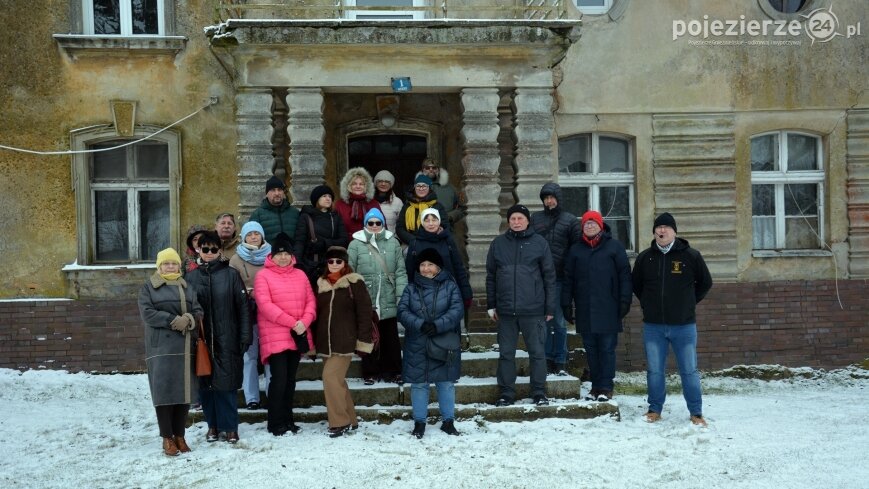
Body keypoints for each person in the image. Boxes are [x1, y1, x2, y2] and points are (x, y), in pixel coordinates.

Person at [632, 212, 713, 427]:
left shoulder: (690, 256)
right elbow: (637, 286)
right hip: (654, 327)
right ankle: (654, 409)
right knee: (655, 371)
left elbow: (705, 283)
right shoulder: (645, 258)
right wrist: (649, 304)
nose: (662, 231)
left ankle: (696, 412)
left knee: (689, 370)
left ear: (674, 232)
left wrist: (688, 303)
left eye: (667, 227)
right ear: (654, 232)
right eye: (659, 227)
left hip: (684, 326)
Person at [486, 204, 556, 407]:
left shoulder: (539, 243)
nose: (516, 222)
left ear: (527, 221)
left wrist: (550, 307)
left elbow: (549, 277)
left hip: (533, 310)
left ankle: (539, 392)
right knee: (506, 354)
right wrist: (492, 304)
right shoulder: (498, 244)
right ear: (508, 221)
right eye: (513, 219)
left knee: (537, 353)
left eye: (520, 218)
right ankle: (506, 393)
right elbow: (491, 276)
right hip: (506, 311)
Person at [185, 231, 251, 444]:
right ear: (199, 250)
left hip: (227, 338)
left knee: (227, 385)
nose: (210, 253)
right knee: (206, 386)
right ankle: (212, 425)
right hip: (201, 340)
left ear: (220, 251)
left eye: (214, 249)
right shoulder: (191, 277)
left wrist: (244, 335)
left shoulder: (231, 274)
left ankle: (230, 426)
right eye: (206, 249)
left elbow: (243, 308)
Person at [138, 248, 203, 456]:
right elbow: (147, 313)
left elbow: (198, 310)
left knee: (182, 394)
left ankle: (180, 435)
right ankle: (167, 437)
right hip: (161, 348)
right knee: (164, 393)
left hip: (185, 347)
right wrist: (173, 320)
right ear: (159, 266)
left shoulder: (187, 286)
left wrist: (190, 320)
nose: (170, 267)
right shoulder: (149, 288)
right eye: (166, 264)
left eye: (173, 263)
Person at [562, 210, 632, 402]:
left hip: (609, 308)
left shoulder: (614, 247)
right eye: (586, 223)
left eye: (593, 223)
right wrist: (566, 304)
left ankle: (606, 387)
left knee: (607, 349)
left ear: (601, 225)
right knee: (591, 350)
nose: (590, 226)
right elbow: (568, 279)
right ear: (582, 227)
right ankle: (595, 387)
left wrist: (625, 300)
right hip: (585, 309)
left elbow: (625, 275)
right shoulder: (576, 250)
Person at [254, 232, 317, 436]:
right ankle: (275, 422)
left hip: (297, 335)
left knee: (290, 380)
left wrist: (305, 322)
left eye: (286, 253)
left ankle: (288, 419)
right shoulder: (263, 275)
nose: (283, 257)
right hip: (276, 335)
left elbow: (311, 302)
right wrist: (293, 323)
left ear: (292, 255)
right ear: (271, 256)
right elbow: (265, 306)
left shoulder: (300, 274)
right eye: (279, 254)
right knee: (278, 380)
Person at [398, 248, 464, 439]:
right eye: (422, 264)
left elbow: (456, 309)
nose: (426, 268)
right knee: (419, 384)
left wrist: (437, 325)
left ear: (438, 267)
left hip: (443, 342)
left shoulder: (450, 286)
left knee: (446, 383)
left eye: (430, 265)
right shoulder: (410, 288)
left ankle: (448, 421)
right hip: (417, 342)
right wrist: (420, 324)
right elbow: (402, 311)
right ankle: (419, 423)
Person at [313, 246, 375, 438]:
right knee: (337, 381)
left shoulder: (354, 282)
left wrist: (363, 340)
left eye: (338, 261)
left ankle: (340, 422)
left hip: (345, 340)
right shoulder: (320, 283)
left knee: (330, 378)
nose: (334, 265)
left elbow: (365, 313)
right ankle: (351, 418)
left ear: (345, 263)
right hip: (325, 341)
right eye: (330, 261)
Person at [348, 208, 408, 385]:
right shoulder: (355, 243)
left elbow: (400, 271)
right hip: (367, 297)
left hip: (388, 295)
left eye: (378, 223)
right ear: (365, 224)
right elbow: (350, 271)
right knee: (369, 335)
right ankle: (370, 371)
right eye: (370, 223)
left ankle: (394, 371)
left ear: (383, 224)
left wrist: (400, 295)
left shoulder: (393, 242)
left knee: (390, 337)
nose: (374, 226)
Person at [530, 183, 583, 376]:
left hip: (560, 278)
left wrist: (571, 272)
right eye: (546, 198)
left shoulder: (570, 220)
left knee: (559, 321)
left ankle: (560, 359)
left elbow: (576, 249)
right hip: (539, 279)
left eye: (552, 197)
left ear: (558, 198)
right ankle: (546, 358)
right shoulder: (535, 218)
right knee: (543, 321)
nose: (549, 201)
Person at [229, 221, 272, 411]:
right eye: (250, 234)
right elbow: (233, 285)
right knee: (250, 356)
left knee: (271, 356)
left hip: (270, 312)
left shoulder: (272, 256)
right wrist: (250, 292)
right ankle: (252, 397)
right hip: (247, 311)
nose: (254, 236)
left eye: (257, 233)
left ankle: (273, 394)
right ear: (244, 237)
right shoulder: (236, 259)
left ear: (262, 236)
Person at [405, 208, 472, 309]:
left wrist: (466, 293)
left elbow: (458, 267)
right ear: (422, 223)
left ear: (439, 221)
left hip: (448, 293)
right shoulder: (415, 243)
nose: (431, 224)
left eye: (434, 220)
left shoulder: (448, 240)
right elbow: (409, 272)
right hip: (422, 297)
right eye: (427, 220)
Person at [293, 185, 349, 285]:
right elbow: (299, 241)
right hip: (311, 263)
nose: (328, 198)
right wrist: (298, 264)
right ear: (316, 199)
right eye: (324, 196)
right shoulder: (306, 217)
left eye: (330, 196)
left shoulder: (335, 217)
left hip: (332, 264)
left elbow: (344, 240)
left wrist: (324, 243)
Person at [395, 174, 450, 247]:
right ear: (414, 188)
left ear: (429, 188)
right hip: (411, 243)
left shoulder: (437, 206)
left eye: (424, 186)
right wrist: (413, 240)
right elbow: (400, 228)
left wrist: (437, 234)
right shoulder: (407, 207)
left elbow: (445, 225)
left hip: (434, 241)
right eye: (418, 186)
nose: (421, 188)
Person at [249, 175, 301, 245]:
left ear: (283, 192)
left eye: (279, 190)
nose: (277, 193)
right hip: (267, 255)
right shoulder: (257, 215)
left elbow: (301, 239)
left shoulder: (294, 213)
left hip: (291, 255)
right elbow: (252, 240)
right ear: (267, 194)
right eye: (273, 190)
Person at [335, 167, 383, 235]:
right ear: (348, 186)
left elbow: (382, 225)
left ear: (366, 186)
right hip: (346, 243)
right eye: (354, 184)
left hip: (370, 243)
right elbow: (335, 228)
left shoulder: (374, 204)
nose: (358, 186)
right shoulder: (340, 204)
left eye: (361, 184)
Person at [420, 157, 465, 225]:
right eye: (427, 168)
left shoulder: (450, 188)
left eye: (434, 168)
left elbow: (463, 208)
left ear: (438, 170)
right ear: (423, 170)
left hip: (445, 229)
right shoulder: (416, 190)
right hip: (422, 230)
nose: (431, 170)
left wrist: (450, 216)